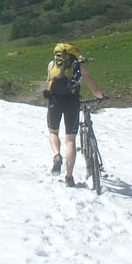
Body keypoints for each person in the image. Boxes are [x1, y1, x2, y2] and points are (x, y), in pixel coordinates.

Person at [43, 42, 104, 187]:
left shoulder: (52, 65)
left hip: (55, 101)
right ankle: (69, 177)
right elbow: (90, 83)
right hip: (72, 102)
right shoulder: (79, 67)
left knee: (53, 132)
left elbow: (49, 84)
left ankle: (57, 155)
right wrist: (100, 96)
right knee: (70, 140)